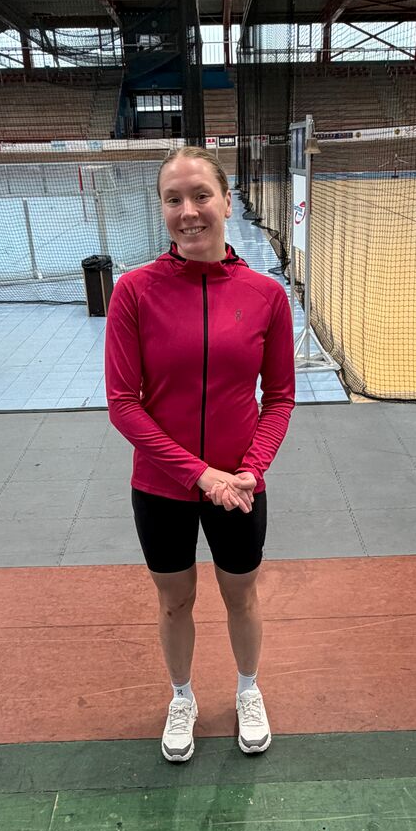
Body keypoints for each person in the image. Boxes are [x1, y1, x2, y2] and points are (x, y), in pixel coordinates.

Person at [104, 145, 295, 763]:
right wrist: (199, 474)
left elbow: (280, 397)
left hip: (240, 487)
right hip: (162, 487)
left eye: (200, 195)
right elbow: (123, 404)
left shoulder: (266, 295)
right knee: (175, 600)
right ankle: (182, 696)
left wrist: (250, 469)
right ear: (162, 210)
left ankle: (247, 689)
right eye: (173, 199)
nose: (188, 211)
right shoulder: (134, 292)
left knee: (242, 596)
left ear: (227, 202)